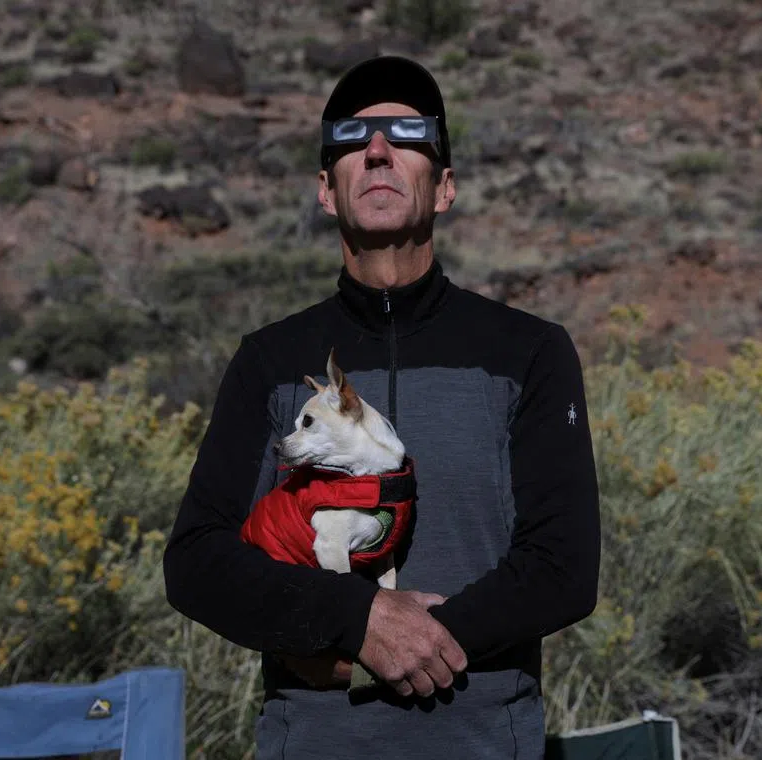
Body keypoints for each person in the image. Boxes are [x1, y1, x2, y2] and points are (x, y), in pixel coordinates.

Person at [163, 55, 601, 759]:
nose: (376, 152)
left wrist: (403, 644)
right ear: (326, 191)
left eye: (407, 135)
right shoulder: (271, 362)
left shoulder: (528, 354)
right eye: (351, 141)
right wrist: (355, 619)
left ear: (446, 187)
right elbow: (197, 562)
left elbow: (563, 568)